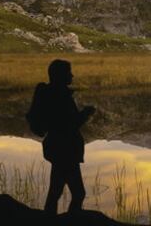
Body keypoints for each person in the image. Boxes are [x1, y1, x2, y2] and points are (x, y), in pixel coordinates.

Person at [35, 59, 95, 215]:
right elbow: (70, 124)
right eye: (69, 72)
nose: (72, 75)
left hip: (55, 148)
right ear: (60, 75)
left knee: (55, 191)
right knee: (78, 193)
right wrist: (86, 113)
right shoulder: (61, 96)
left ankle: (49, 219)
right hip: (65, 150)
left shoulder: (51, 93)